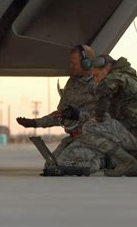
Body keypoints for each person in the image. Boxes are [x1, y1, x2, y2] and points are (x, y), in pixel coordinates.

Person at [16, 45, 103, 173]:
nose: (71, 67)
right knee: (51, 165)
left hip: (92, 139)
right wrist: (35, 123)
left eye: (74, 63)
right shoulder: (72, 82)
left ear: (86, 63)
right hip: (74, 138)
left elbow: (106, 117)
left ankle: (103, 161)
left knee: (63, 164)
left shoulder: (98, 84)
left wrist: (79, 115)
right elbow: (60, 115)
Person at [77, 55, 137, 177]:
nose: (95, 80)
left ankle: (126, 161)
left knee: (89, 128)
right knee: (108, 131)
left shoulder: (116, 77)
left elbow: (104, 92)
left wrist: (98, 118)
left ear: (106, 69)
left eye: (96, 75)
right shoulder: (126, 79)